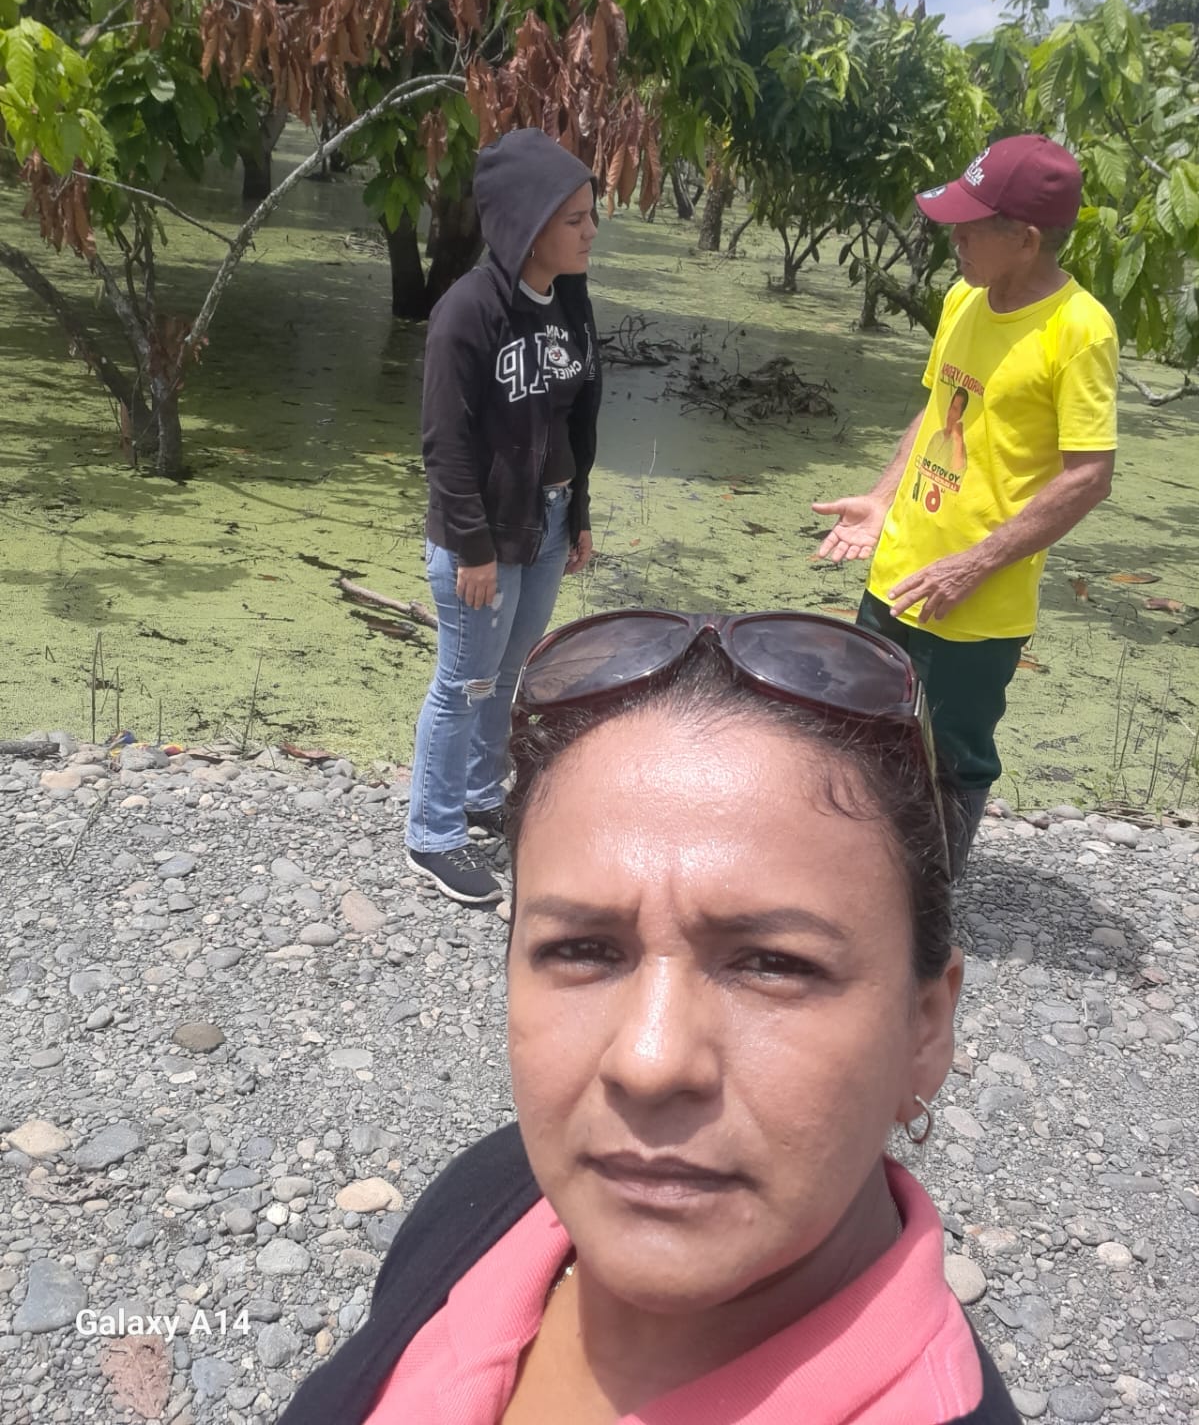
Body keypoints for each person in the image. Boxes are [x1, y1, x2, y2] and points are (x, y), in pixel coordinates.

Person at [281, 610, 1020, 1425]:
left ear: (925, 1027)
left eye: (772, 963)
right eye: (583, 950)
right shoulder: (496, 1194)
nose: (650, 1060)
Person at [814, 134, 1118, 876]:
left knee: (951, 756)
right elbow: (937, 408)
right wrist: (882, 499)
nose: (954, 240)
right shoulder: (962, 299)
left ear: (1026, 239)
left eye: (971, 228)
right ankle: (866, 878)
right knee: (866, 726)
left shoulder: (1078, 330)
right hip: (896, 572)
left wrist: (973, 564)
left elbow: (1088, 475)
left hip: (973, 603)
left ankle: (931, 898)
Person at [405, 126, 601, 906]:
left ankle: (482, 795)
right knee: (465, 681)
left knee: (507, 672)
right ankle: (432, 833)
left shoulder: (570, 300)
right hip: (483, 537)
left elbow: (576, 417)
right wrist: (472, 547)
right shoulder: (467, 311)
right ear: (528, 222)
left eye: (591, 215)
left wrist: (578, 511)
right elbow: (443, 442)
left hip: (546, 522)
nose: (590, 232)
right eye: (574, 219)